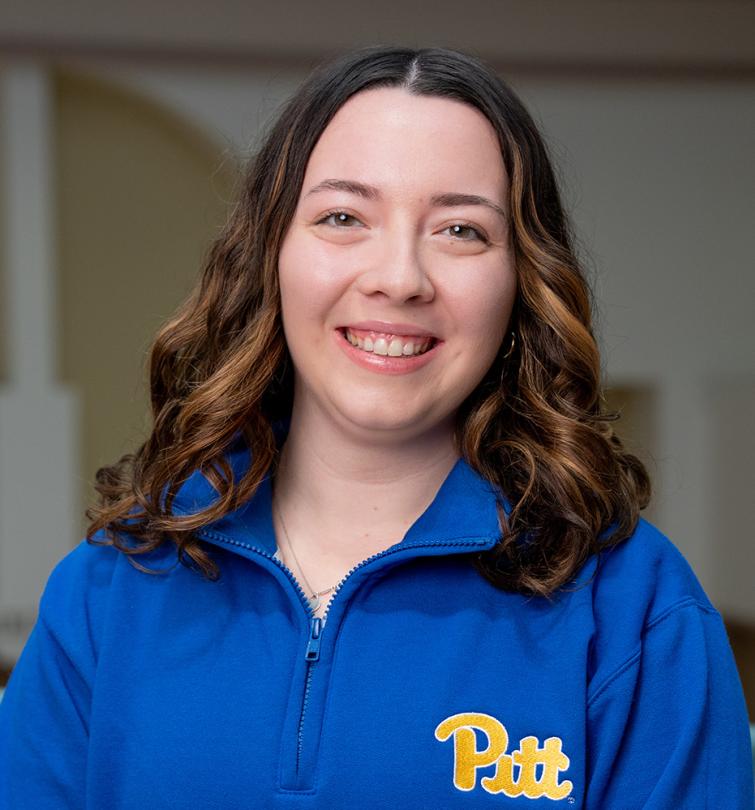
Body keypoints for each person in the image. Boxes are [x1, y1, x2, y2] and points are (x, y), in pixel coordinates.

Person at [0, 45, 752, 809]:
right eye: (342, 217)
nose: (398, 277)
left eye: (460, 231)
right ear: (268, 260)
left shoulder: (634, 611)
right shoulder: (106, 594)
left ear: (522, 282)